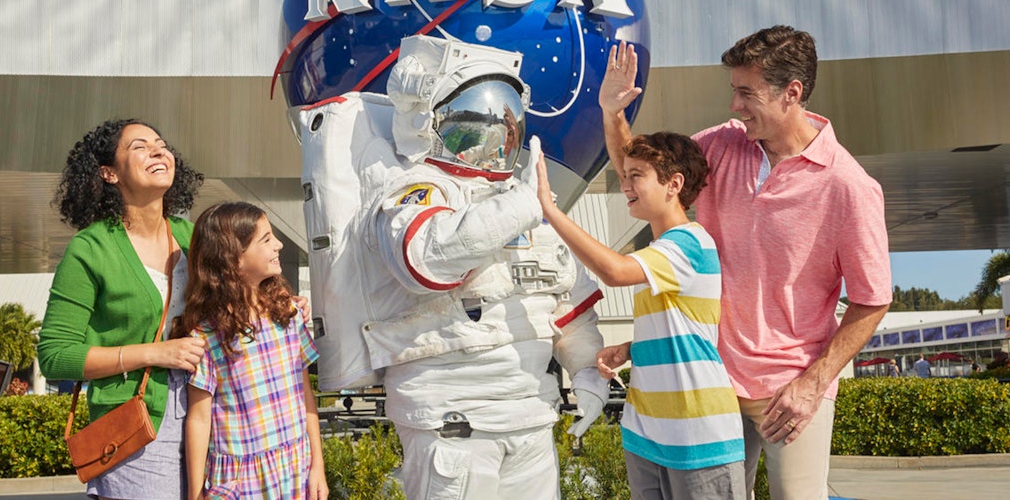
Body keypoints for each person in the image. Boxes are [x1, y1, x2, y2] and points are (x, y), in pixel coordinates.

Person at [299, 35, 608, 500]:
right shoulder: (410, 190)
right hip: (453, 424)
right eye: (471, 128)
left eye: (501, 128)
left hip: (531, 417)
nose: (490, 143)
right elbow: (427, 260)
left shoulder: (520, 201)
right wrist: (525, 204)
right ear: (429, 124)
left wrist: (587, 374)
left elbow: (565, 300)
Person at [600, 26, 893, 500]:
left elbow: (872, 300)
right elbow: (640, 176)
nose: (734, 105)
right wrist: (613, 113)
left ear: (791, 93)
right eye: (733, 90)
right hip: (711, 379)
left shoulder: (849, 187)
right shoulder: (720, 146)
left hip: (787, 391)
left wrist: (812, 386)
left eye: (746, 92)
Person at [535, 131, 746, 499]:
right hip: (648, 435)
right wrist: (633, 348)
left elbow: (614, 272)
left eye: (637, 175)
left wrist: (551, 212)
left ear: (673, 184)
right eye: (625, 173)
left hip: (697, 436)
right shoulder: (659, 252)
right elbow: (683, 324)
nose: (625, 183)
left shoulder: (690, 243)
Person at [38, 119, 208, 499]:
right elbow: (55, 355)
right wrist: (154, 353)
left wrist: (277, 304)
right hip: (136, 424)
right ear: (109, 173)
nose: (157, 150)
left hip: (208, 405)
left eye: (161, 144)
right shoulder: (90, 249)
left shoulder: (193, 234)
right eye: (139, 146)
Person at [174, 202, 328, 500]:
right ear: (232, 258)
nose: (279, 244)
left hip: (295, 470)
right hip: (239, 483)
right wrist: (195, 494)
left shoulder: (289, 314)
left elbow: (305, 393)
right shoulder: (206, 337)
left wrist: (317, 466)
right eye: (266, 239)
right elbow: (199, 418)